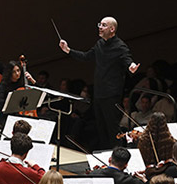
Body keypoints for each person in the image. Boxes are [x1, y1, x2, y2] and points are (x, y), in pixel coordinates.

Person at [59, 16, 139, 146]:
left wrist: (131, 66)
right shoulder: (100, 44)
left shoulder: (120, 46)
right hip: (99, 93)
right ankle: (105, 154)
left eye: (104, 25)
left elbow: (127, 58)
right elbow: (86, 56)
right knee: (100, 127)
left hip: (112, 94)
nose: (100, 27)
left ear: (112, 29)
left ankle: (117, 153)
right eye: (100, 24)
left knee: (112, 127)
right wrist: (68, 50)